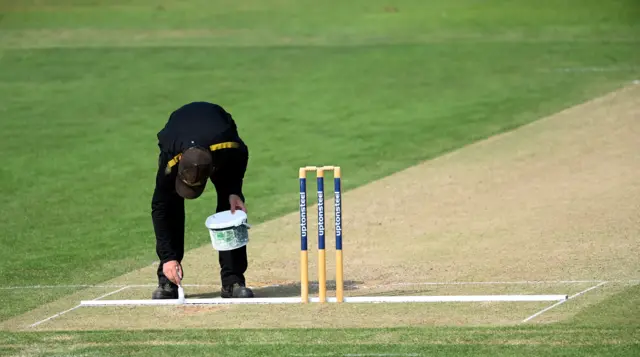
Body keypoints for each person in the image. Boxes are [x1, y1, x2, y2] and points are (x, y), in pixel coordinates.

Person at [150, 101, 254, 299]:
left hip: (218, 144)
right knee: (169, 204)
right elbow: (160, 207)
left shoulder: (228, 146)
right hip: (179, 131)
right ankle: (167, 279)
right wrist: (168, 257)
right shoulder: (171, 160)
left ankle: (233, 280)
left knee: (231, 208)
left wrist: (234, 190)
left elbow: (241, 155)